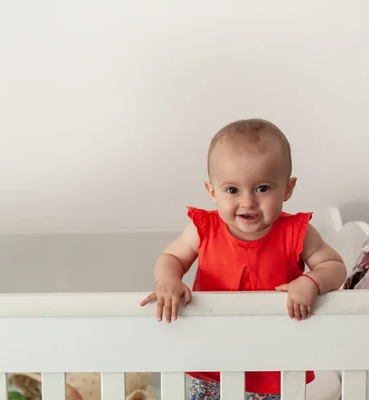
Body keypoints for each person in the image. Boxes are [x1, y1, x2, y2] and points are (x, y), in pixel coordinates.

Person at [140, 118, 347, 399]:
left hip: (275, 363)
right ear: (213, 192)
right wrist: (168, 280)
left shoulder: (298, 232)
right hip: (210, 359)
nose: (248, 201)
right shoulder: (203, 229)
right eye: (232, 190)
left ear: (287, 188)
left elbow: (335, 267)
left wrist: (311, 281)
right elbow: (171, 257)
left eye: (262, 188)